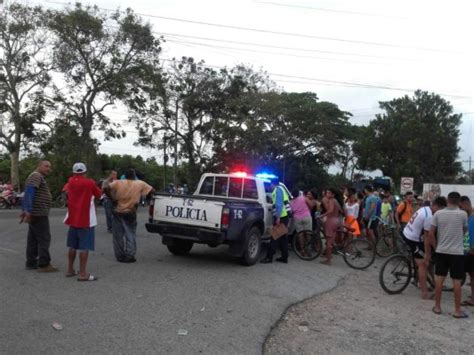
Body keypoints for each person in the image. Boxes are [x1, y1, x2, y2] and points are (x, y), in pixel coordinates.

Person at [426, 192, 468, 318]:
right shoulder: (463, 214)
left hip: (441, 251)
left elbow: (430, 233)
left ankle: (437, 307)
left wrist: (436, 246)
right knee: (456, 281)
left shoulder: (438, 214)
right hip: (457, 252)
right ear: (459, 201)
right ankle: (457, 310)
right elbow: (464, 230)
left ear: (448, 200)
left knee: (439, 279)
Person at [105, 169, 154, 263]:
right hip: (131, 211)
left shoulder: (118, 182)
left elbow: (106, 188)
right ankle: (130, 255)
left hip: (117, 211)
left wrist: (112, 198)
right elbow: (152, 190)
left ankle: (119, 256)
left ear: (125, 175)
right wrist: (145, 197)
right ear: (134, 175)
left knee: (117, 235)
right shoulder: (140, 183)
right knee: (130, 234)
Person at [63, 163, 102, 281]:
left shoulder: (70, 182)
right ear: (85, 172)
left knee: (72, 246)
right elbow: (99, 195)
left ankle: (70, 270)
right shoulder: (90, 182)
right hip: (86, 219)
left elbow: (65, 192)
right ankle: (83, 274)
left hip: (73, 217)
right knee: (84, 247)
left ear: (74, 172)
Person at [402, 196, 446, 299]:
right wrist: (428, 253)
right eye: (440, 209)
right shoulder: (429, 216)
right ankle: (424, 292)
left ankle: (430, 282)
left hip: (407, 232)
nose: (440, 212)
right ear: (435, 206)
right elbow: (427, 237)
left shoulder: (424, 208)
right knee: (423, 264)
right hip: (413, 239)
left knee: (426, 257)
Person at [20, 160, 58, 272]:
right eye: (46, 166)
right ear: (39, 166)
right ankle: (44, 264)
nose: (48, 169)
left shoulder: (35, 176)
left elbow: (27, 193)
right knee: (44, 238)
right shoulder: (36, 176)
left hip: (36, 213)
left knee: (33, 239)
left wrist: (25, 209)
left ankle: (31, 262)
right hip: (39, 213)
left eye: (49, 167)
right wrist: (27, 210)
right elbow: (29, 192)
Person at [261, 177, 291, 264]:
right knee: (283, 238)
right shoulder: (281, 189)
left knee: (274, 237)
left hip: (281, 217)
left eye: (270, 185)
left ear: (272, 184)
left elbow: (279, 205)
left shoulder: (277, 190)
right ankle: (284, 257)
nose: (270, 187)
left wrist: (278, 217)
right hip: (284, 216)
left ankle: (269, 257)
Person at [319, 188, 343, 265]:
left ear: (333, 194)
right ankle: (329, 256)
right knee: (331, 241)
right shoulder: (336, 200)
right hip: (336, 220)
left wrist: (321, 215)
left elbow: (330, 210)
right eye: (327, 193)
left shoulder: (332, 200)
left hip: (330, 221)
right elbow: (341, 210)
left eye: (329, 193)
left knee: (329, 243)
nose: (327, 194)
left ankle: (328, 260)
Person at [459, 196, 474, 307]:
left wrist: (472, 249)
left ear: (465, 204)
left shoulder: (472, 218)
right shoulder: (469, 216)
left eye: (461, 206)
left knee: (472, 275)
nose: (461, 209)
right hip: (468, 250)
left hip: (471, 251)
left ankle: (473, 299)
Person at [290, 188, 312, 257]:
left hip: (297, 219)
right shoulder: (303, 198)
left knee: (300, 235)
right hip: (306, 217)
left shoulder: (291, 202)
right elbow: (311, 205)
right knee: (308, 233)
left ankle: (302, 250)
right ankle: (308, 249)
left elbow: (291, 212)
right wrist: (308, 210)